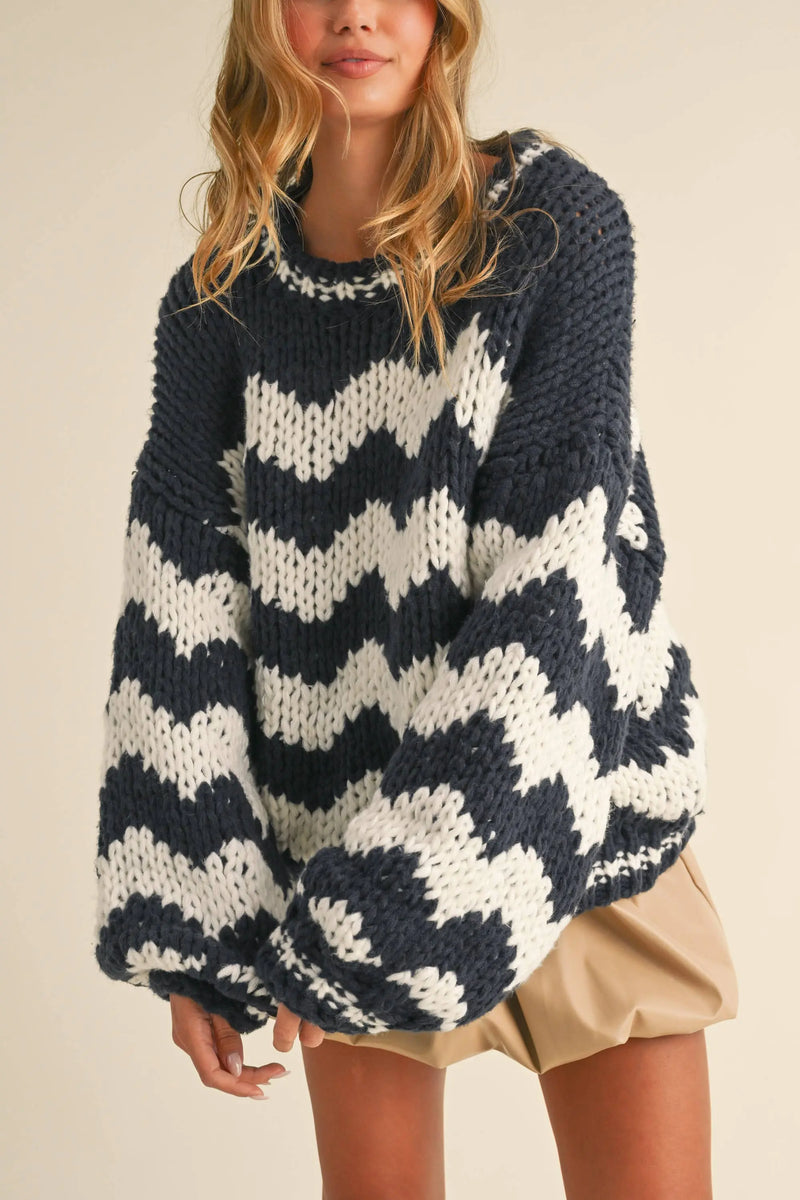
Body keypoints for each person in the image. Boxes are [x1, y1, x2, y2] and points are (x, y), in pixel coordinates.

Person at [93, 2, 738, 1196]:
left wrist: (401, 890)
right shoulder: (219, 301)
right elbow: (179, 606)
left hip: (572, 810)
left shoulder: (550, 229)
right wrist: (196, 926)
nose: (354, 13)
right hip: (343, 848)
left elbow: (556, 575)